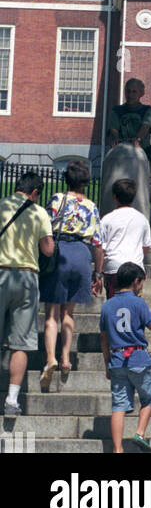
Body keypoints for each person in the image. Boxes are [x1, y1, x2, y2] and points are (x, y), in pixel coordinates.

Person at [100, 261, 151, 454]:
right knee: (149, 398)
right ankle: (140, 433)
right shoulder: (138, 302)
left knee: (118, 405)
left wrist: (107, 362)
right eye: (141, 283)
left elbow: (104, 339)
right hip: (138, 358)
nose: (142, 287)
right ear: (136, 281)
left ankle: (118, 449)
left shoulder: (107, 306)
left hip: (117, 359)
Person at [40, 161, 104, 390]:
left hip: (60, 252)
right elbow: (97, 242)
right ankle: (66, 357)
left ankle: (50, 358)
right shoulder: (91, 206)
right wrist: (99, 272)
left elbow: (45, 227)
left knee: (51, 313)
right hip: (81, 254)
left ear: (66, 179)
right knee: (69, 313)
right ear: (86, 182)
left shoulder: (57, 199)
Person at [0, 170, 54, 418]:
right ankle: (12, 400)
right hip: (27, 278)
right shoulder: (39, 212)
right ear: (34, 192)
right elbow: (48, 250)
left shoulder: (1, 206)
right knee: (20, 343)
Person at [100, 179, 151, 299]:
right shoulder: (142, 219)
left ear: (115, 197)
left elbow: (101, 248)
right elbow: (146, 246)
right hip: (135, 267)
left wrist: (99, 271)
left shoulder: (107, 219)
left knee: (114, 303)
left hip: (114, 267)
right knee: (134, 305)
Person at [107, 78, 151, 169]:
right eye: (128, 91)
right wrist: (115, 138)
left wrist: (137, 139)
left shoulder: (147, 110)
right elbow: (113, 129)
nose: (130, 95)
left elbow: (145, 126)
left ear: (141, 93)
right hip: (122, 154)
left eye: (134, 92)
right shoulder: (116, 110)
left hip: (142, 154)